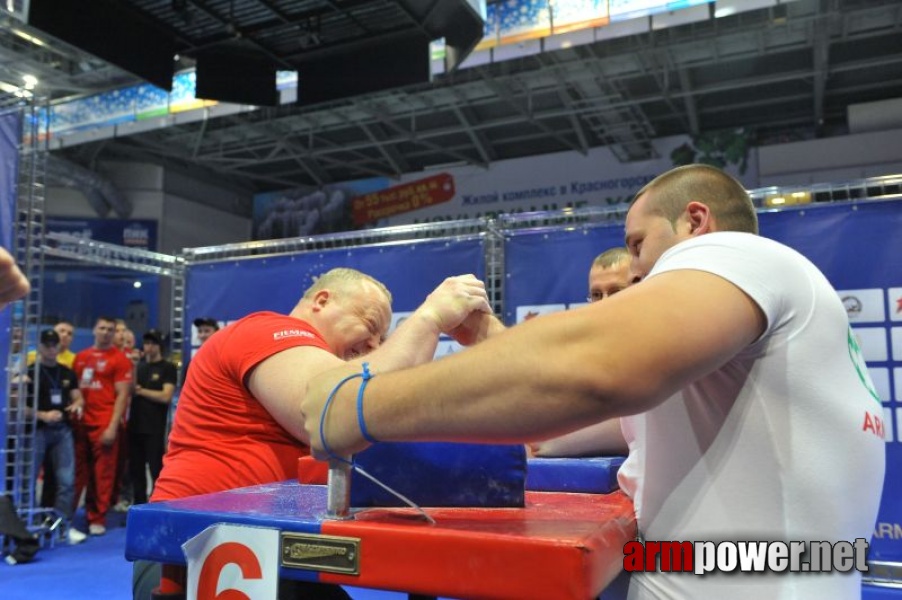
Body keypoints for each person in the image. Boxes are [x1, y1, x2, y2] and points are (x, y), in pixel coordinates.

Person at [303, 164, 885, 599]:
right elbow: (548, 420)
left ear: (696, 222)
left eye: (638, 244)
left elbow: (589, 371)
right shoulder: (725, 369)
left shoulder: (739, 254)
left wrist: (359, 404)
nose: (633, 269)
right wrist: (486, 338)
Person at [135, 268, 491, 600]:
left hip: (268, 548)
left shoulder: (323, 368)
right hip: (192, 550)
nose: (373, 345)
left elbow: (389, 403)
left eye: (382, 338)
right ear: (322, 301)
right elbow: (338, 408)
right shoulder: (264, 329)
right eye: (369, 325)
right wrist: (429, 318)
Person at [529, 247, 636, 457]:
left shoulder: (661, 349)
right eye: (596, 295)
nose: (605, 303)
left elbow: (547, 441)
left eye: (616, 291)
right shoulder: (577, 355)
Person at [23, 329, 87, 544]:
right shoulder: (30, 373)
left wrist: (76, 405)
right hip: (38, 430)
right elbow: (19, 407)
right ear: (40, 346)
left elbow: (78, 397)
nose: (51, 348)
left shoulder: (67, 372)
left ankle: (61, 526)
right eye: (47, 344)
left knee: (66, 481)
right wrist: (43, 415)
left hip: (62, 431)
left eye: (54, 344)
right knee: (28, 480)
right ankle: (26, 525)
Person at [72, 316, 133, 536]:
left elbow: (123, 395)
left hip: (104, 424)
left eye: (110, 329)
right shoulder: (81, 358)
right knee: (77, 474)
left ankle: (97, 517)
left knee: (102, 475)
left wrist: (112, 426)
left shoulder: (120, 360)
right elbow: (74, 389)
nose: (106, 332)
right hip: (80, 425)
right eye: (102, 328)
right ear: (94, 330)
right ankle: (69, 516)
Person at [127, 330, 177, 505]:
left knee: (157, 469)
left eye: (152, 343)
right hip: (135, 426)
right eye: (146, 343)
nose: (149, 346)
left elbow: (166, 396)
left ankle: (158, 504)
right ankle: (138, 505)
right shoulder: (139, 367)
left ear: (159, 346)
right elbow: (131, 390)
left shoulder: (167, 367)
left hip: (155, 428)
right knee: (136, 470)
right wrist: (133, 366)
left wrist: (143, 391)